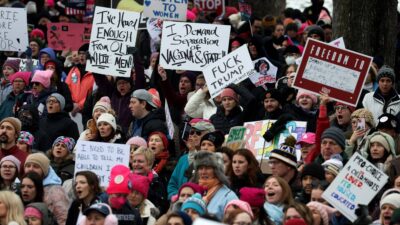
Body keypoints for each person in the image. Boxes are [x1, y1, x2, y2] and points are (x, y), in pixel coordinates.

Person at [24, 153, 70, 225]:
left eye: (36, 166)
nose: (31, 169)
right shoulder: (23, 186)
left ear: (44, 170)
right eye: (28, 166)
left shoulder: (55, 191)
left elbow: (63, 219)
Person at [192, 150, 238, 220]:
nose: (203, 172)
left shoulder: (229, 196)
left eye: (207, 168)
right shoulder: (196, 193)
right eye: (200, 168)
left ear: (217, 171)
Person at [131, 147, 168, 215]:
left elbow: (162, 207)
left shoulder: (157, 183)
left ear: (150, 164)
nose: (136, 164)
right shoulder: (126, 179)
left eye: (140, 161)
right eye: (134, 161)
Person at [65, 43, 95, 117]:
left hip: (87, 111)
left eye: (84, 53)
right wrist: (71, 103)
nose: (81, 55)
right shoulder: (73, 70)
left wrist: (80, 105)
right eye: (80, 53)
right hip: (72, 109)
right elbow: (67, 87)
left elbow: (93, 92)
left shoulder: (95, 73)